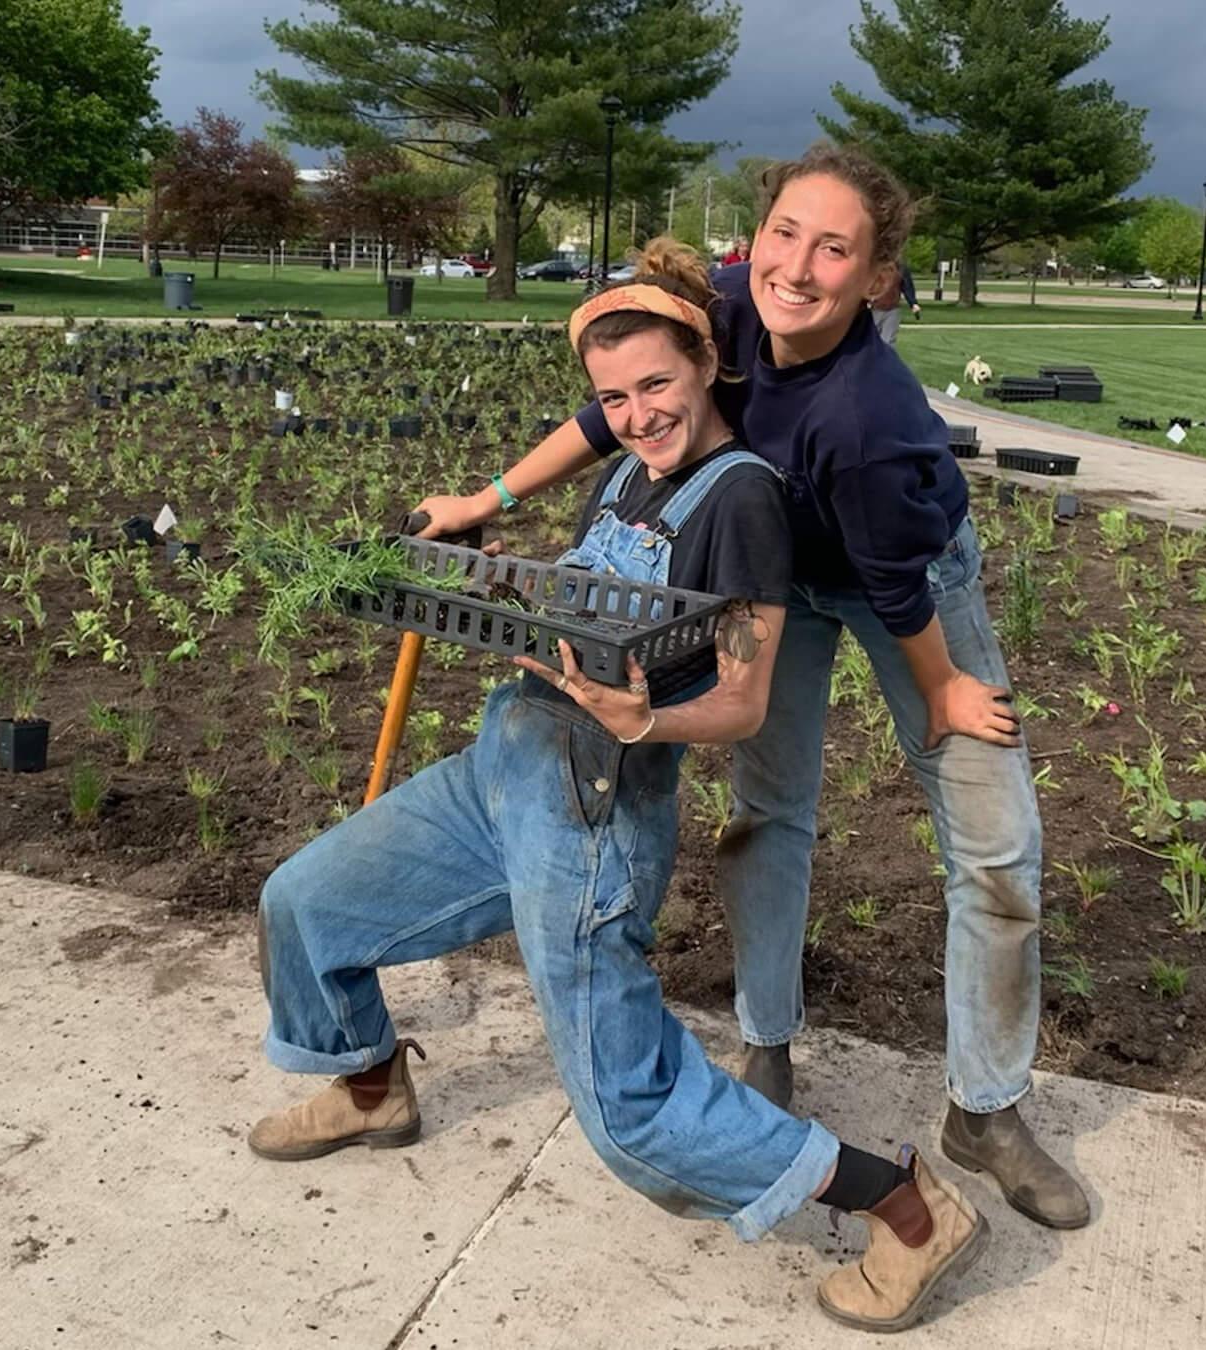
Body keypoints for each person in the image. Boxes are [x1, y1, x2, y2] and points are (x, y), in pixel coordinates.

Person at [253, 238, 989, 1332]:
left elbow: (742, 703)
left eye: (655, 386)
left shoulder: (742, 501)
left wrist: (644, 718)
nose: (638, 414)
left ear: (706, 366)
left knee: (630, 1110)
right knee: (305, 905)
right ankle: (370, 1086)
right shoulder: (629, 471)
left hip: (592, 806)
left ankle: (907, 1209)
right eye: (614, 398)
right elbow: (590, 599)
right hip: (502, 770)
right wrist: (483, 565)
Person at [412, 144, 1087, 1233]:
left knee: (995, 841)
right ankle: (768, 1043)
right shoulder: (724, 306)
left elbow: (892, 581)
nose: (798, 268)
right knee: (769, 810)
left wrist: (947, 691)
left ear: (877, 278)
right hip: (778, 581)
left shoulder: (866, 415)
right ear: (758, 234)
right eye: (785, 234)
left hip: (911, 584)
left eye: (836, 250)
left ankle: (987, 1109)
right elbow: (610, 412)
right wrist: (485, 498)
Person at [871, 257, 922, 346]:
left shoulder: (901, 268)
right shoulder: (874, 266)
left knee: (888, 340)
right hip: (874, 308)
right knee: (872, 339)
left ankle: (886, 354)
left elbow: (907, 286)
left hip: (892, 309)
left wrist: (913, 303)